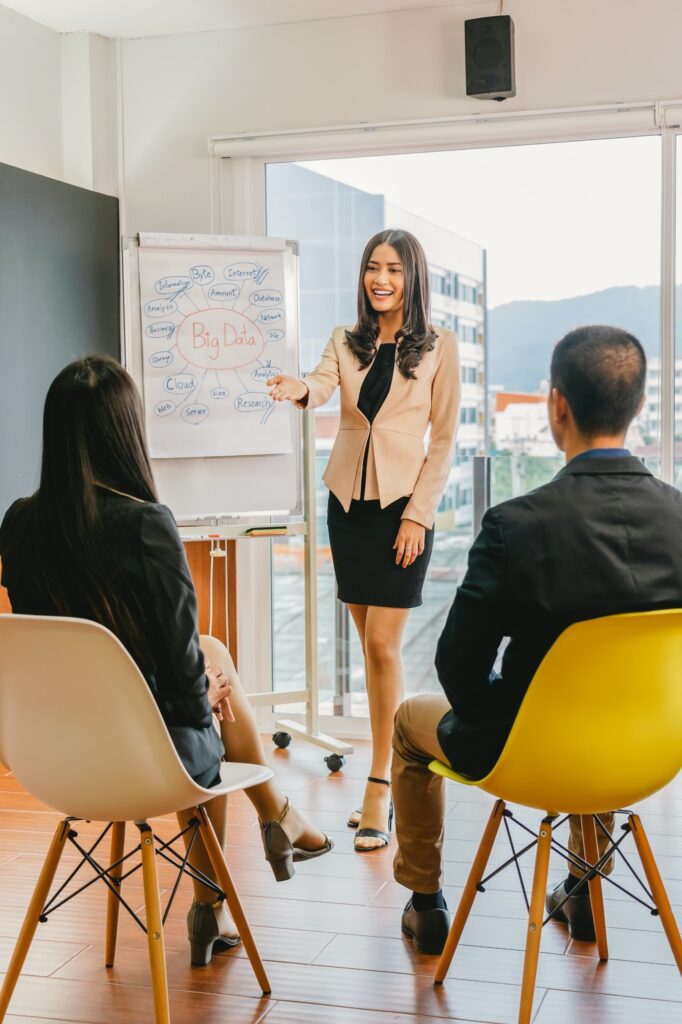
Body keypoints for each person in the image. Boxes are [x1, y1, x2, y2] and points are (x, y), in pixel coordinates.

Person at [0, 356, 332, 968]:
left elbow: (64, 654)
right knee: (208, 693)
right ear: (125, 431)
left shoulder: (18, 523)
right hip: (141, 758)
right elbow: (183, 693)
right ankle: (245, 855)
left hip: (53, 757)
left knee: (211, 653)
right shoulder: (147, 525)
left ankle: (259, 847)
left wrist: (198, 683)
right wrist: (205, 692)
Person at [391, 324, 682, 955]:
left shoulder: (515, 525)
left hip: (531, 751)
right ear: (637, 407)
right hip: (651, 749)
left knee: (408, 722)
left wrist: (506, 707)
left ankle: (426, 905)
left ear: (557, 405)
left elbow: (458, 670)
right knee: (601, 707)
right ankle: (583, 889)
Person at [268, 229, 460, 852]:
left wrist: (418, 517)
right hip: (348, 505)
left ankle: (381, 784)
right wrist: (301, 389)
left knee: (382, 645)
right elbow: (321, 384)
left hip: (404, 508)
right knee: (373, 651)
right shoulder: (344, 341)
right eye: (374, 268)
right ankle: (387, 775)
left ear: (412, 278)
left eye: (394, 269)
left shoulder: (439, 347)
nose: (381, 279)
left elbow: (444, 440)